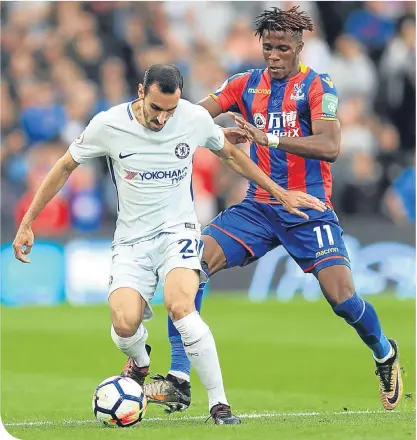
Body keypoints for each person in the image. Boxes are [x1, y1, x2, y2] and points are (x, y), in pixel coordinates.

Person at [12, 64, 326, 424]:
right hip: (131, 242)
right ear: (141, 92)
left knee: (182, 307)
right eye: (156, 108)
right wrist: (27, 222)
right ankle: (141, 363)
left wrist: (280, 193)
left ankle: (219, 405)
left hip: (178, 233)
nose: (162, 119)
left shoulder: (192, 118)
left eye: (170, 110)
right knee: (124, 323)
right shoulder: (108, 124)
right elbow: (64, 167)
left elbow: (231, 155)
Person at [145, 7, 403, 413]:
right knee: (191, 267)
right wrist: (156, 118)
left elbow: (330, 146)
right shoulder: (244, 83)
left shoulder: (320, 85)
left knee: (343, 299)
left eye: (283, 48)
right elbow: (193, 115)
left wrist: (267, 139)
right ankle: (179, 379)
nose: (274, 55)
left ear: (300, 46)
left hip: (308, 209)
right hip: (258, 208)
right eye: (268, 47)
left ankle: (384, 353)